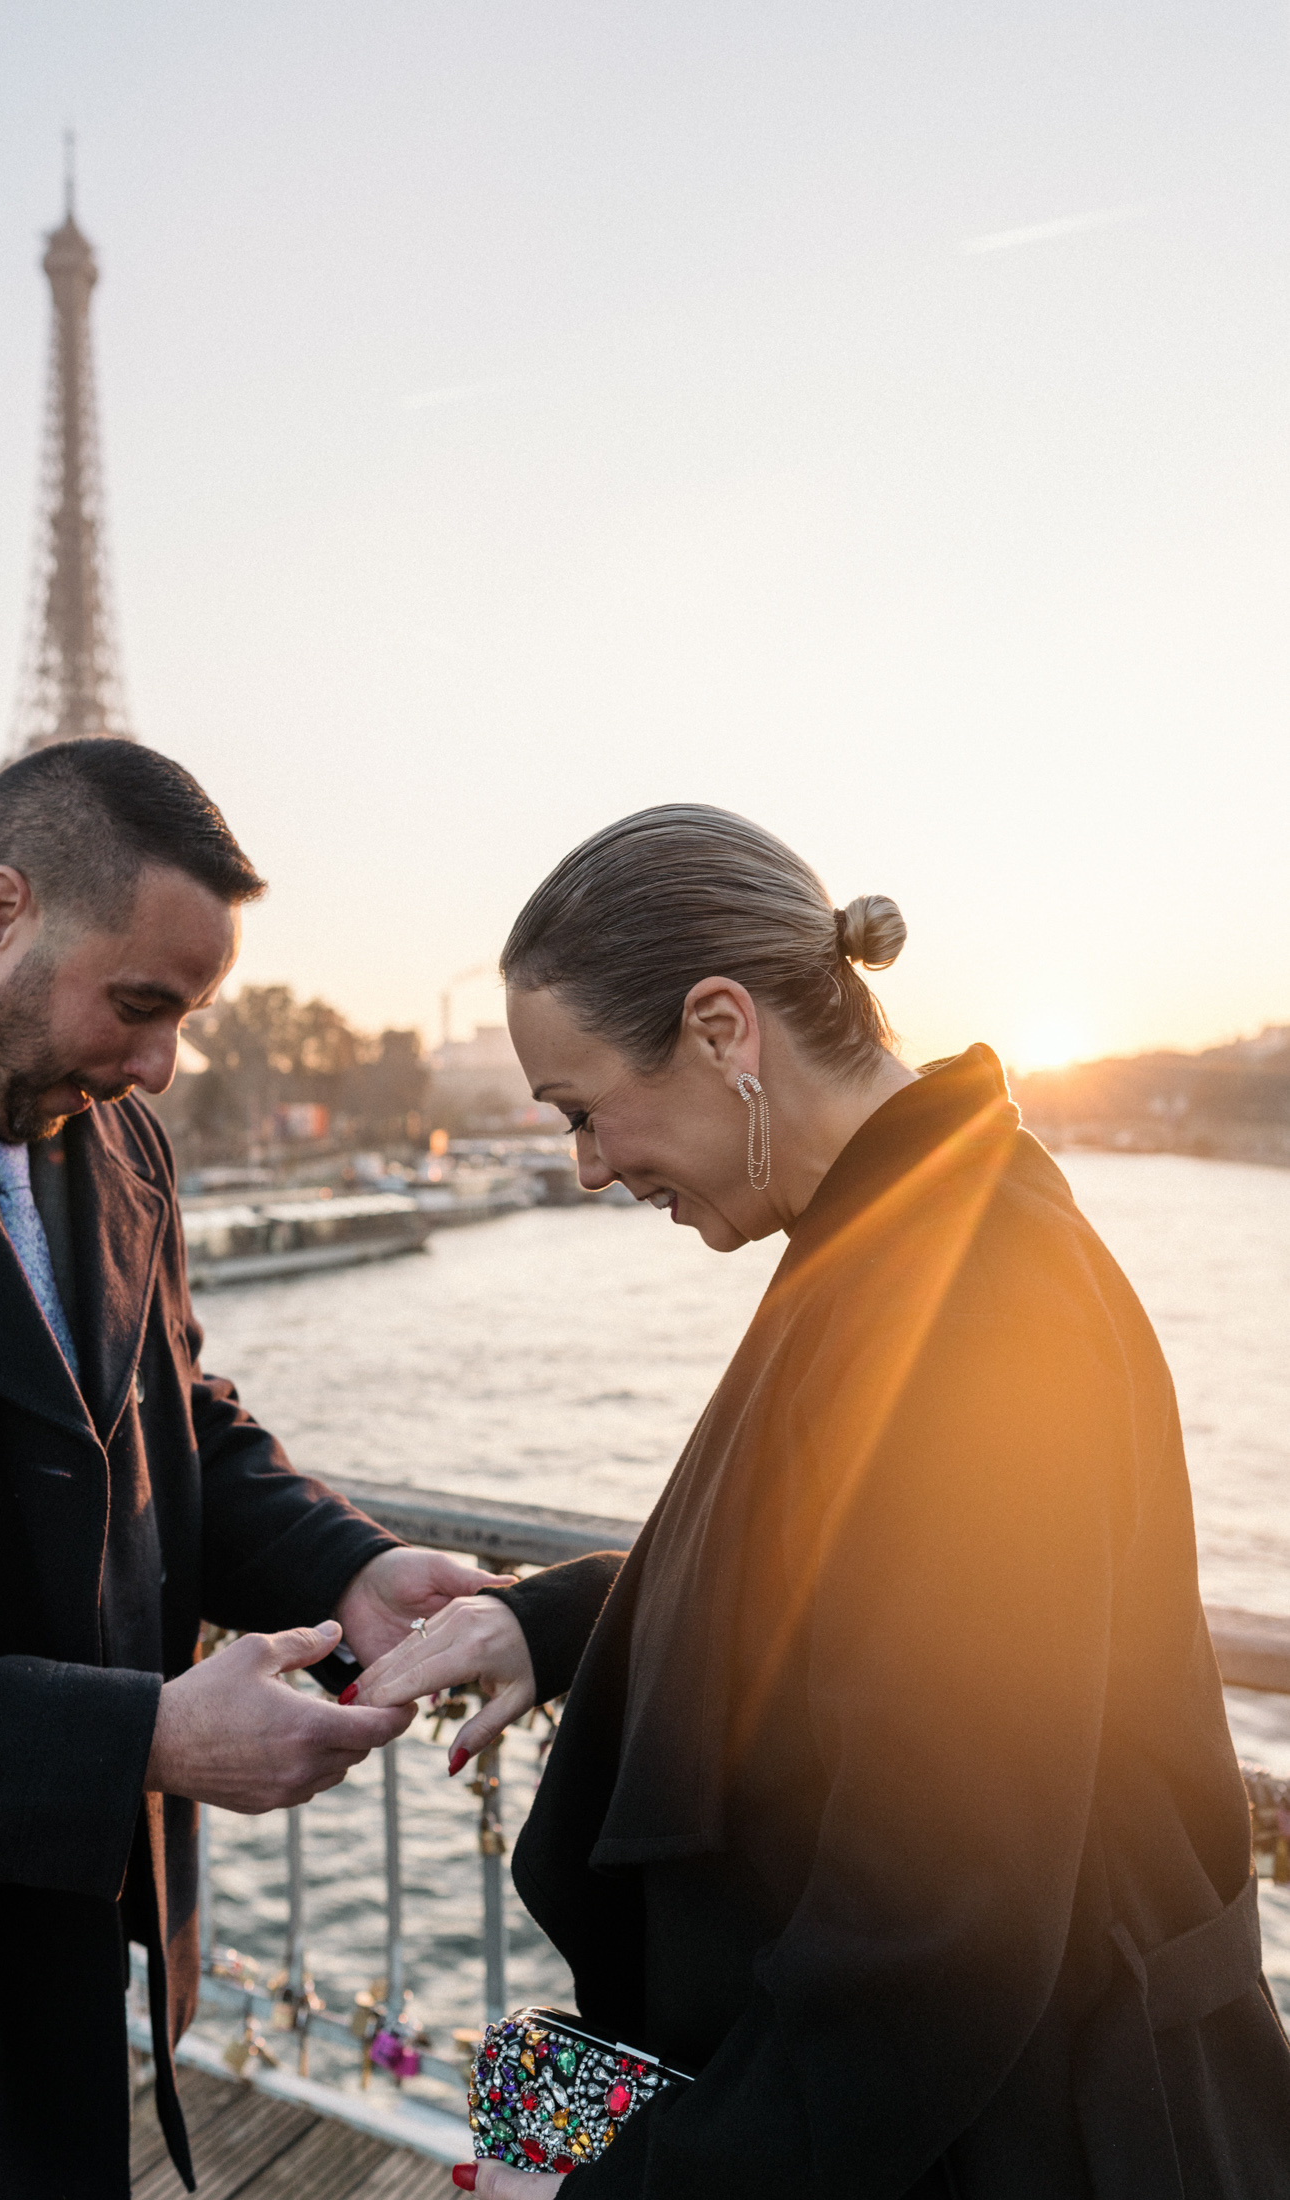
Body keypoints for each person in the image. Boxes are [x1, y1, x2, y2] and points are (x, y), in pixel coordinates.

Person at [355, 803, 1290, 2198]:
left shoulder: (973, 1304)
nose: (589, 1165)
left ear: (726, 1031)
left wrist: (641, 2181)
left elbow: (934, 1940)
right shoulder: (911, 1231)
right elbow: (834, 1591)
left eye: (582, 1109)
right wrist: (546, 1625)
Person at [0, 738, 511, 2200]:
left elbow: (171, 1419)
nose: (160, 1067)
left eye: (186, 1018)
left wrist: (346, 1564)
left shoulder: (115, 1134)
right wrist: (131, 1742)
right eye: (141, 1006)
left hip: (73, 1960)